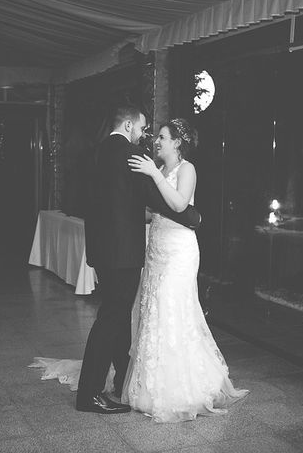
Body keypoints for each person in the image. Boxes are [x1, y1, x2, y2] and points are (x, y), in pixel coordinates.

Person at [74, 106, 201, 414]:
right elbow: (156, 199)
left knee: (116, 316)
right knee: (112, 318)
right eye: (144, 129)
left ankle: (121, 379)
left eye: (157, 134)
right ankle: (89, 394)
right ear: (129, 124)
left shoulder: (96, 151)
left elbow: (95, 198)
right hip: (123, 251)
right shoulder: (131, 155)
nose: (147, 137)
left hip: (104, 250)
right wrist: (192, 216)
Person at [123, 118, 248, 422]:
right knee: (153, 312)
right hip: (156, 247)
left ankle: (182, 388)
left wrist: (153, 173)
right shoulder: (159, 168)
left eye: (163, 138)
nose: (158, 142)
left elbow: (179, 205)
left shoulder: (186, 169)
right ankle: (151, 383)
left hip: (179, 251)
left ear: (177, 143)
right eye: (159, 138)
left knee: (173, 310)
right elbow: (155, 211)